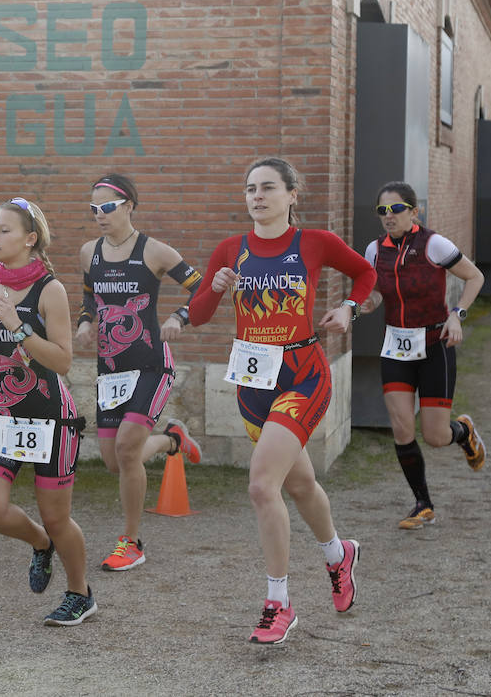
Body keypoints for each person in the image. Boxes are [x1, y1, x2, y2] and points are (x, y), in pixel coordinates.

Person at [189, 157, 377, 645]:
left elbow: (364, 274)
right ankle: (339, 555)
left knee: (260, 486)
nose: (257, 196)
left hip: (302, 375)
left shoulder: (313, 242)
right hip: (252, 383)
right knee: (299, 484)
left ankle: (279, 603)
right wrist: (213, 287)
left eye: (269, 187)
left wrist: (349, 308)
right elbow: (200, 315)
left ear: (293, 195)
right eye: (250, 188)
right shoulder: (231, 250)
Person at [0, 197, 96, 626]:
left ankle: (80, 594)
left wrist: (16, 324)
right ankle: (40, 544)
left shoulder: (51, 290)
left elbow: (62, 361)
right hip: (2, 416)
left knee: (58, 517)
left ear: (30, 238)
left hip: (50, 419)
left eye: (4, 230)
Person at [75, 173, 203, 573]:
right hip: (111, 370)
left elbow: (202, 290)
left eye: (107, 207)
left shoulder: (156, 252)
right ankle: (170, 441)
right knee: (115, 461)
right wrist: (84, 322)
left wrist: (179, 318)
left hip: (151, 364)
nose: (100, 215)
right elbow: (89, 297)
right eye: (94, 209)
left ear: (129, 205)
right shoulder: (88, 252)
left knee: (129, 449)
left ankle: (131, 542)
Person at [359, 182, 487, 530]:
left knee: (435, 436)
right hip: (396, 346)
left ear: (414, 212)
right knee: (401, 427)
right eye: (382, 211)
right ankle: (422, 504)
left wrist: (457, 314)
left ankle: (463, 431)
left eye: (396, 209)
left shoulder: (433, 244)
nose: (389, 217)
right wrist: (367, 303)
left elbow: (475, 276)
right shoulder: (374, 251)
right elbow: (374, 292)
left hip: (434, 345)